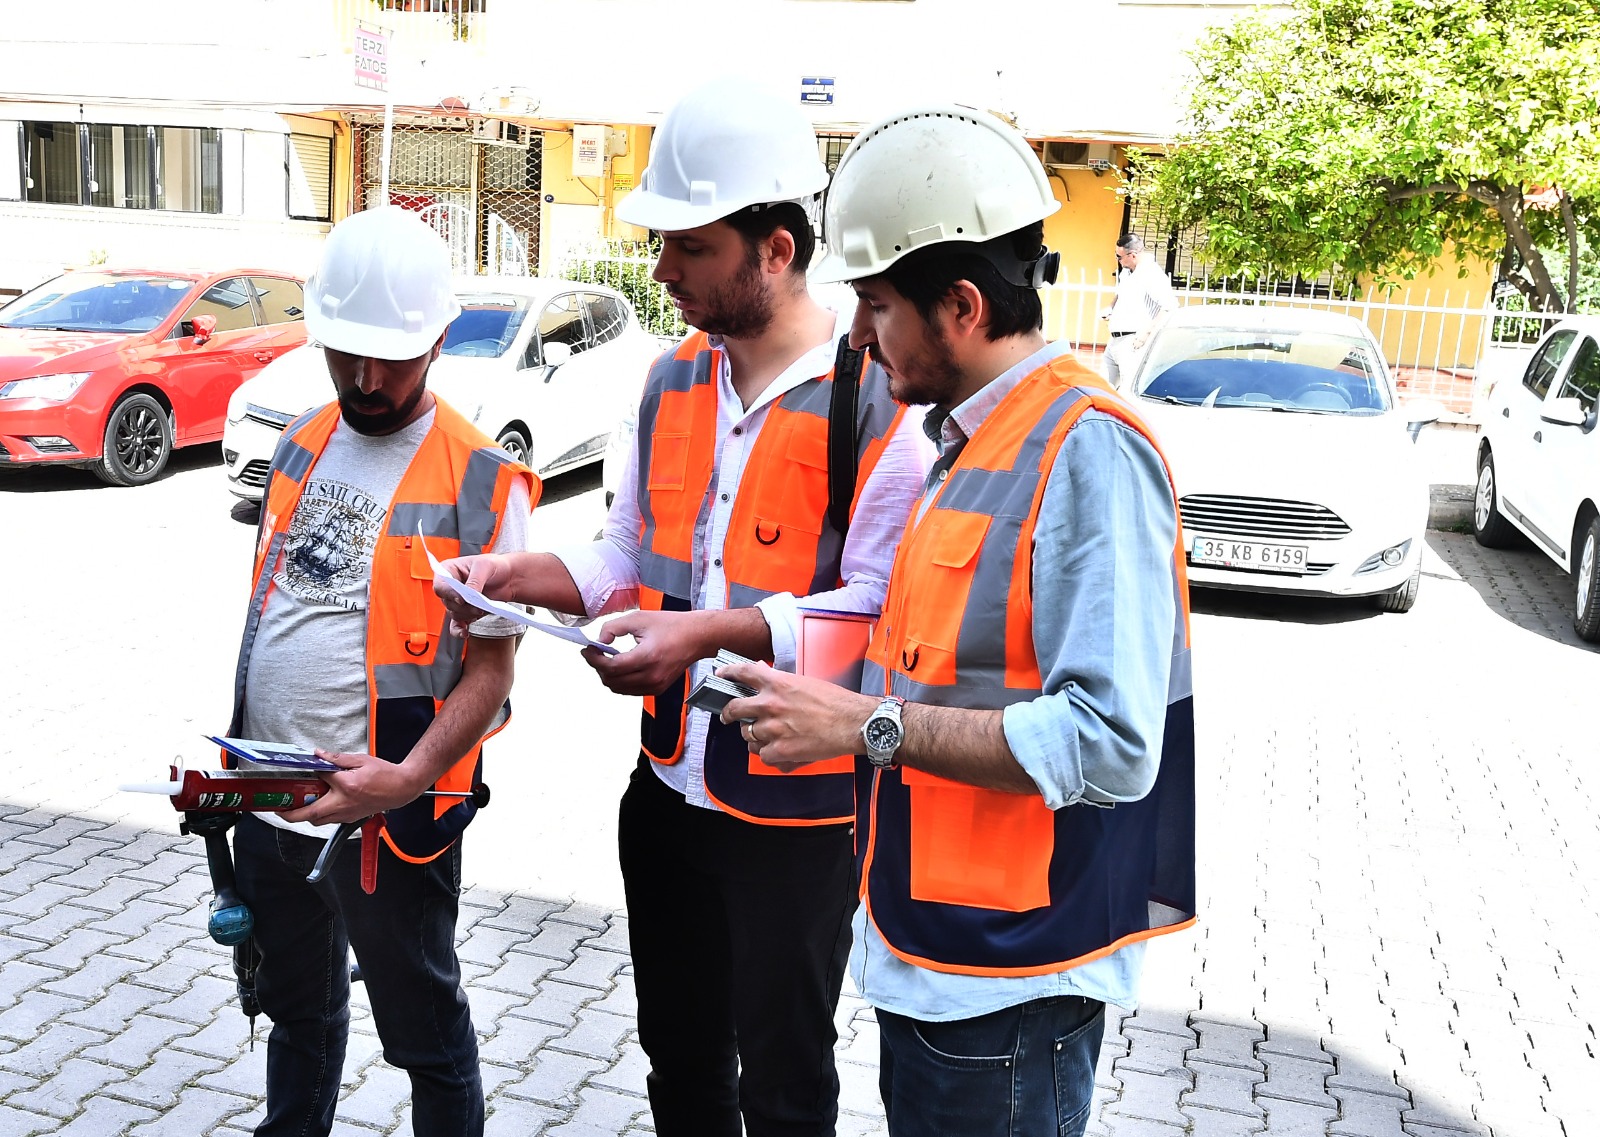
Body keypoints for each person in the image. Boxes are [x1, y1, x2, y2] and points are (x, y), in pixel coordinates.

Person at [433, 77, 933, 1137]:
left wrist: (701, 637)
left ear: (777, 249)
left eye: (690, 247)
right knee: (681, 1064)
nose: (662, 269)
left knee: (786, 1086)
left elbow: (876, 609)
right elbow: (627, 552)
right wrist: (524, 577)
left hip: (797, 815)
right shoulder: (671, 381)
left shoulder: (879, 395)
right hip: (666, 790)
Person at [713, 106, 1197, 1137]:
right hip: (940, 956)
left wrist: (863, 727)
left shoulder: (1084, 448)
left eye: (877, 305)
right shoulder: (970, 439)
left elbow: (1111, 743)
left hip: (1010, 986)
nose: (857, 335)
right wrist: (800, 683)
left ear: (963, 307)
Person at [227, 206, 537, 1137]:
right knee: (297, 1015)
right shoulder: (300, 442)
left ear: (437, 340)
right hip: (269, 793)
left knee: (426, 1039)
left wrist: (403, 779)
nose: (365, 379)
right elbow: (276, 613)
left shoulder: (482, 479)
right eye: (346, 353)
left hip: (387, 818)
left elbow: (493, 677)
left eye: (389, 358)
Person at [1101, 232, 1177, 387]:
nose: (1117, 260)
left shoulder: (1151, 274)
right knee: (1102, 388)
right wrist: (1110, 307)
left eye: (1119, 257)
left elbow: (1170, 306)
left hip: (1132, 342)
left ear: (1133, 255)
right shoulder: (1127, 271)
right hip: (1114, 340)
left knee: (1127, 389)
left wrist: (1145, 334)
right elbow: (1120, 293)